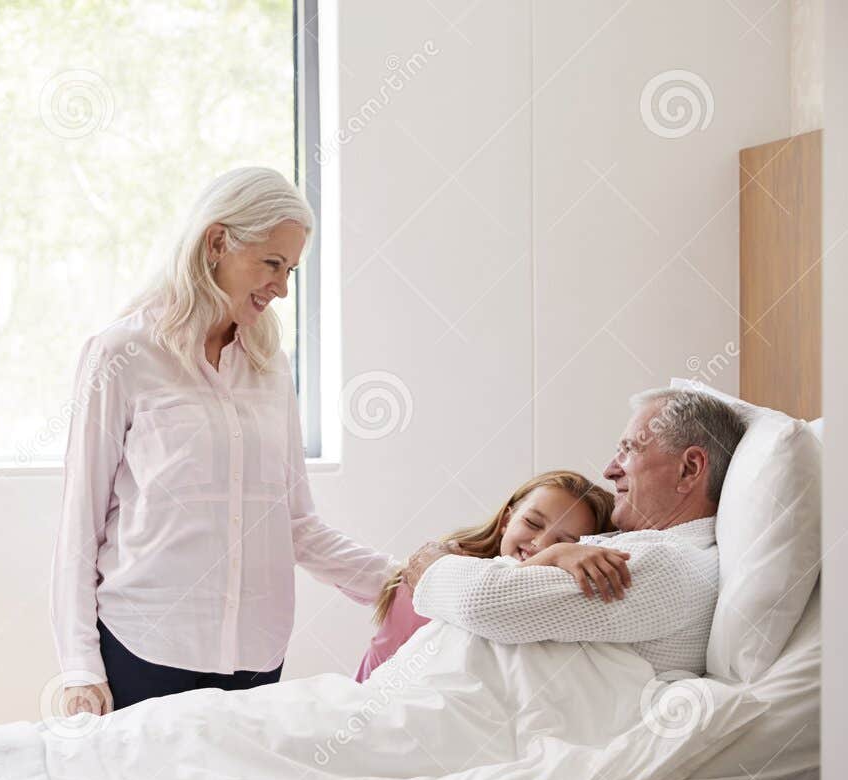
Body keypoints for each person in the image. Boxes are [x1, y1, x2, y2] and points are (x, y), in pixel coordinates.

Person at [51, 167, 413, 714]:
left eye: (290, 269)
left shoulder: (269, 368)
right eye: (271, 263)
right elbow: (80, 524)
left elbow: (295, 525)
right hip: (143, 650)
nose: (282, 287)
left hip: (256, 660)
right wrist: (80, 668)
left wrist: (407, 582)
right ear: (217, 242)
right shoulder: (121, 354)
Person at [401, 387, 747, 675]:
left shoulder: (666, 565)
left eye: (628, 451)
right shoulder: (644, 550)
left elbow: (482, 601)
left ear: (689, 469)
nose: (610, 471)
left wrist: (431, 562)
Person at [356, 470, 614, 681]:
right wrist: (554, 555)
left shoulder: (555, 603)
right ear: (506, 520)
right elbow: (491, 603)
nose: (539, 543)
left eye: (564, 542)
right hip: (375, 702)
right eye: (532, 524)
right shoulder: (448, 571)